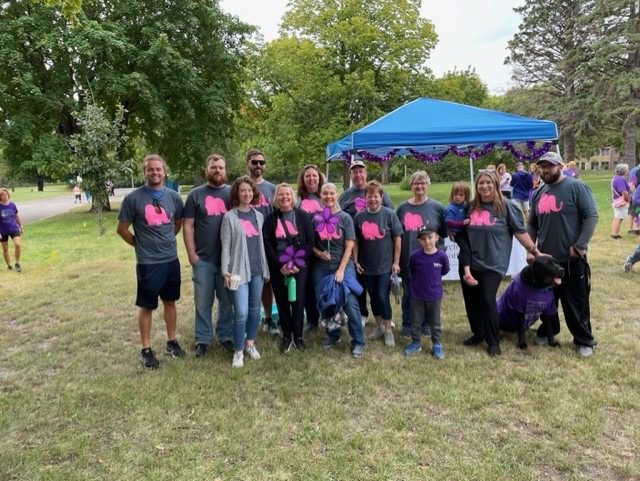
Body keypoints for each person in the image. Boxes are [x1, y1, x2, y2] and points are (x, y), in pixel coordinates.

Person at [460, 170, 540, 356]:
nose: (485, 186)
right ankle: (478, 333)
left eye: (489, 183)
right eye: (481, 183)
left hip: (493, 264)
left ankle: (493, 341)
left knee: (487, 300)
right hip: (471, 262)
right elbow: (461, 228)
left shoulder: (507, 207)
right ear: (476, 186)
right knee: (472, 301)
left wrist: (534, 251)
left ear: (496, 184)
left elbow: (520, 231)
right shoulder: (471, 207)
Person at [116, 154, 185, 369]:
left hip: (170, 260)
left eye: (158, 169)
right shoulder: (133, 199)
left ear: (165, 172)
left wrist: (165, 241)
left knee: (170, 302)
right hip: (148, 263)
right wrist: (140, 244)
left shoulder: (173, 197)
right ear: (144, 172)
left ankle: (171, 342)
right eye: (150, 169)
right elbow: (121, 229)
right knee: (147, 305)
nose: (155, 173)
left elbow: (177, 224)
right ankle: (146, 349)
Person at [528, 151, 599, 357]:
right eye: (542, 167)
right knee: (547, 300)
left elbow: (591, 216)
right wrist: (531, 248)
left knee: (575, 301)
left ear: (560, 166)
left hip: (571, 259)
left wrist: (580, 245)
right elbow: (532, 223)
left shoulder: (576, 187)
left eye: (549, 166)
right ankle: (549, 330)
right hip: (546, 260)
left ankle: (584, 339)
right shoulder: (538, 193)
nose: (545, 170)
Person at [182, 153, 234, 358]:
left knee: (227, 301)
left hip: (227, 260)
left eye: (221, 167)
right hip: (203, 259)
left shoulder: (232, 193)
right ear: (206, 170)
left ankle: (225, 336)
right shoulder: (195, 195)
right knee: (202, 302)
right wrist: (191, 254)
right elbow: (187, 226)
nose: (217, 171)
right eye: (213, 167)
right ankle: (202, 340)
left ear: (225, 170)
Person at [221, 176, 270, 368]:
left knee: (254, 310)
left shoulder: (258, 216)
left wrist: (265, 268)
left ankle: (250, 343)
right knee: (240, 312)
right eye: (243, 191)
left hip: (257, 269)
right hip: (238, 272)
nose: (247, 194)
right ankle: (238, 350)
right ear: (236, 193)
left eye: (250, 191)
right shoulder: (229, 217)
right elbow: (225, 247)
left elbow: (261, 246)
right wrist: (226, 271)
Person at [312, 183, 365, 358]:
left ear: (337, 195)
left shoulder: (345, 218)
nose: (328, 197)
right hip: (321, 267)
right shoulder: (315, 218)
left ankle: (358, 341)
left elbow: (350, 245)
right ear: (321, 196)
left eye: (331, 193)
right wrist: (320, 253)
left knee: (349, 302)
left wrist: (341, 270)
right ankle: (333, 334)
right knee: (326, 301)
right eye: (325, 193)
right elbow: (310, 245)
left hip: (343, 265)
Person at [338, 160, 393, 325]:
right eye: (354, 172)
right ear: (351, 175)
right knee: (360, 283)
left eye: (360, 171)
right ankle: (363, 313)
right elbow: (337, 217)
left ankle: (385, 316)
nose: (358, 175)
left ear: (366, 173)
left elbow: (391, 214)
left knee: (382, 288)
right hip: (356, 246)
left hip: (378, 246)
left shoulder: (376, 192)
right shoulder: (345, 195)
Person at [263, 183, 315, 353]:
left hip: (299, 266)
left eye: (287, 194)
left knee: (298, 301)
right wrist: (281, 264)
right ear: (276, 198)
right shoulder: (271, 219)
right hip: (279, 267)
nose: (284, 197)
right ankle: (286, 336)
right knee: (282, 302)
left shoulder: (303, 216)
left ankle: (298, 336)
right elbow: (268, 244)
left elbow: (309, 242)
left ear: (292, 197)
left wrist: (296, 263)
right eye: (281, 195)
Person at [395, 170, 446, 337]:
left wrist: (441, 253)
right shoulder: (402, 208)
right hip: (409, 259)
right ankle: (408, 323)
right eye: (416, 183)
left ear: (428, 184)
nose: (419, 186)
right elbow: (396, 235)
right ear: (411, 186)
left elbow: (442, 234)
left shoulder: (437, 207)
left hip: (431, 260)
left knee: (428, 295)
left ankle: (426, 324)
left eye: (423, 182)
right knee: (409, 294)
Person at [354, 181, 402, 347]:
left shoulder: (390, 214)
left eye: (376, 196)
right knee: (373, 298)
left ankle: (388, 330)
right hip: (367, 266)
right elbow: (356, 241)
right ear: (365, 197)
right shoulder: (359, 217)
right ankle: (380, 326)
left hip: (385, 266)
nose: (373, 199)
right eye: (370, 196)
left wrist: (396, 262)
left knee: (382, 297)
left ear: (381, 197)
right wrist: (356, 260)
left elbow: (397, 239)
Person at [402, 226, 450, 359]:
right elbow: (411, 269)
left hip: (434, 296)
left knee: (435, 322)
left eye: (430, 237)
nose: (427, 241)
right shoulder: (415, 256)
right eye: (423, 239)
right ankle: (416, 342)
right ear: (419, 241)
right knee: (415, 321)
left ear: (436, 238)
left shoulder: (441, 256)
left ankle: (437, 344)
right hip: (417, 295)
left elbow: (444, 270)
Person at [245, 148, 278, 334]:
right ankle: (250, 319)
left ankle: (268, 317)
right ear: (247, 163)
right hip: (247, 242)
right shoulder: (241, 185)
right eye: (254, 162)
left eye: (261, 162)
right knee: (249, 281)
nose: (258, 165)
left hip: (268, 242)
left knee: (267, 282)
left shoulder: (271, 188)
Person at [295, 164, 324, 332]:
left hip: (322, 247)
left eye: (314, 175)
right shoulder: (298, 198)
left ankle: (328, 316)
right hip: (304, 248)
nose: (311, 179)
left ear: (319, 177)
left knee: (322, 283)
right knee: (306, 286)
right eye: (308, 176)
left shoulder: (325, 195)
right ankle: (312, 319)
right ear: (303, 179)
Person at [443, 181, 476, 286]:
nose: (457, 197)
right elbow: (448, 222)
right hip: (458, 233)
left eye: (461, 195)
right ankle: (467, 273)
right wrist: (461, 223)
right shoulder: (450, 208)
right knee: (465, 249)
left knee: (468, 249)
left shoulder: (465, 205)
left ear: (466, 196)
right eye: (455, 194)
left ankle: (463, 260)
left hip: (466, 231)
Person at [0, 188, 23, 272]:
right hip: (2, 231)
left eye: (6, 194)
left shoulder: (12, 205)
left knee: (17, 244)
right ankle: (9, 265)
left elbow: (16, 216)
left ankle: (17, 263)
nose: (5, 196)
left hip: (14, 228)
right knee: (5, 249)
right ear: (0, 197)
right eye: (2, 195)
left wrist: (20, 226)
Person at [610, 163, 630, 240]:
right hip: (620, 201)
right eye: (626, 169)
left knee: (618, 217)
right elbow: (623, 191)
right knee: (618, 217)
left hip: (616, 200)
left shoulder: (615, 178)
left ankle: (616, 233)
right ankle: (614, 234)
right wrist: (627, 200)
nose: (627, 171)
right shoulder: (620, 179)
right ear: (624, 171)